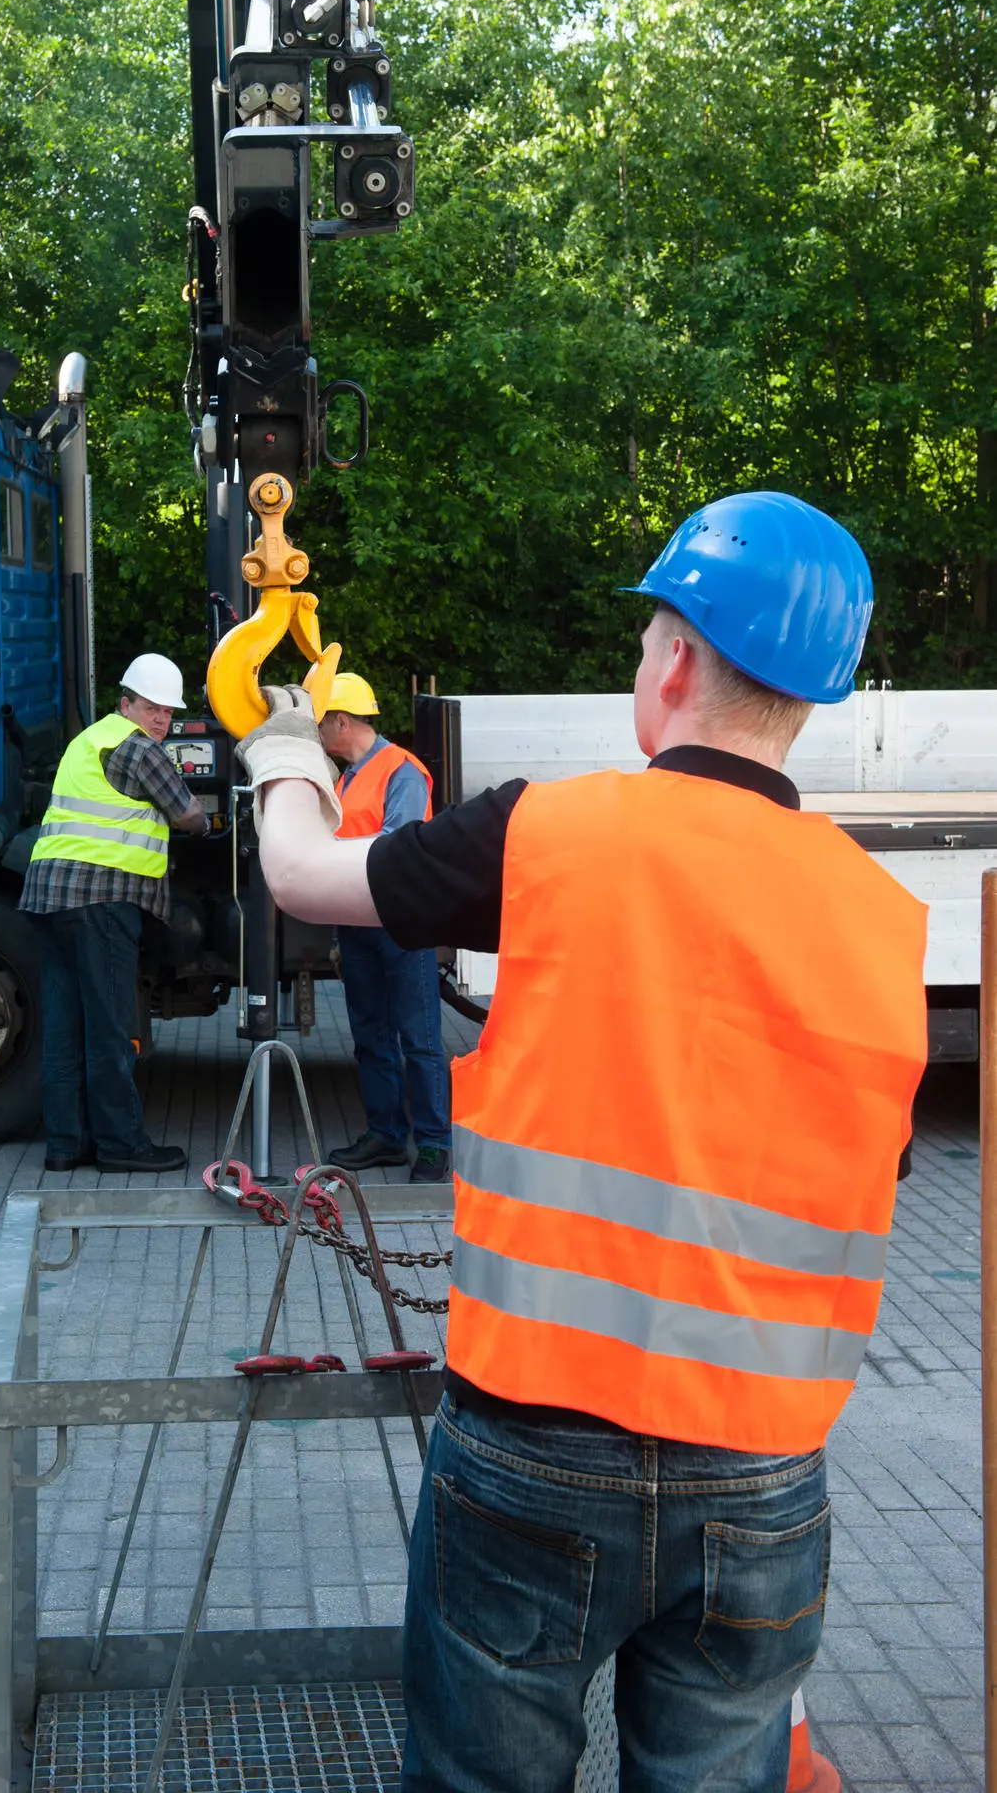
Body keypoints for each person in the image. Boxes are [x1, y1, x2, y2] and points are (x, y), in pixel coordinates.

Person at [236, 492, 928, 1793]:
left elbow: (301, 879)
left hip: (528, 1459)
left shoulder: (546, 833)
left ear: (671, 661)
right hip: (763, 1475)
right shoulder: (878, 921)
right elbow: (849, 1170)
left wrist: (281, 749)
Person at [19, 653, 208, 1172]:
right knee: (109, 1025)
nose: (160, 722)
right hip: (98, 901)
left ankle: (66, 1145)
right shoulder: (139, 749)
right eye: (152, 708)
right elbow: (187, 814)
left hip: (49, 895)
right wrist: (209, 824)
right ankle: (122, 1146)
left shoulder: (89, 739)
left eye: (168, 713)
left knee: (64, 1027)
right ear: (126, 703)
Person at [318, 672, 453, 1182]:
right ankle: (387, 1136)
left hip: (401, 923)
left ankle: (435, 1145)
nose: (320, 737)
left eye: (321, 725)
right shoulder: (346, 778)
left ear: (342, 721)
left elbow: (397, 841)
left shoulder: (402, 770)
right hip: (359, 922)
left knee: (417, 1037)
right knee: (370, 1034)